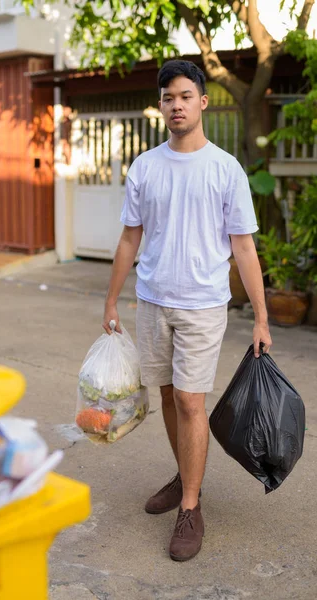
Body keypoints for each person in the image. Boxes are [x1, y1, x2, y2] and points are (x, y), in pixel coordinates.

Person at [102, 60, 272, 562]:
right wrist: (111, 299)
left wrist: (261, 319)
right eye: (167, 98)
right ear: (160, 106)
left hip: (202, 306)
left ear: (201, 101)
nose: (175, 104)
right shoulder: (145, 167)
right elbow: (130, 237)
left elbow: (244, 248)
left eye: (184, 95)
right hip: (153, 300)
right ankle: (185, 476)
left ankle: (191, 507)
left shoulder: (225, 169)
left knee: (192, 403)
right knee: (170, 398)